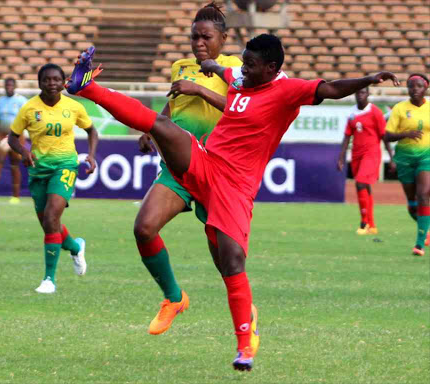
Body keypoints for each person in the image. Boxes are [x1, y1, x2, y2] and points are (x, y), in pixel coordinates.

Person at [65, 34, 399, 371]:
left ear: (271, 68)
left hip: (236, 187)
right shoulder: (240, 79)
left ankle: (244, 347)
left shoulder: (287, 90)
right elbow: (223, 72)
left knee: (231, 262)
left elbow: (329, 88)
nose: (243, 70)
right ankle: (86, 87)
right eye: (242, 62)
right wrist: (209, 66)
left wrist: (368, 79)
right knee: (162, 128)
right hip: (207, 162)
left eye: (250, 65)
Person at [134, 2, 242, 337]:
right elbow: (176, 101)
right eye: (194, 37)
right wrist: (154, 127)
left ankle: (242, 308)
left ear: (223, 39)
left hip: (215, 169)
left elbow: (240, 109)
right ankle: (173, 298)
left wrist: (199, 89)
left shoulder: (236, 68)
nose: (198, 43)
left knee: (222, 253)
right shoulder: (180, 67)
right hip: (179, 167)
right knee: (144, 228)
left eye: (205, 37)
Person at [8, 63, 99, 293]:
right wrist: (23, 151)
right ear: (39, 83)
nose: (51, 84)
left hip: (65, 167)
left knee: (51, 218)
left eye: (56, 80)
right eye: (46, 80)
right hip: (38, 170)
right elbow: (12, 137)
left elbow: (91, 131)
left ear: (63, 82)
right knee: (50, 224)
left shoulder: (73, 106)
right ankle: (75, 247)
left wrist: (91, 155)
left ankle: (49, 280)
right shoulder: (29, 108)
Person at [337, 87, 395, 235]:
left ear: (368, 94)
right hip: (357, 154)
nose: (360, 95)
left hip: (372, 153)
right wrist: (341, 157)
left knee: (360, 182)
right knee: (364, 187)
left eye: (363, 92)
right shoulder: (351, 113)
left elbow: (384, 136)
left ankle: (364, 223)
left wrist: (392, 157)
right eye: (358, 93)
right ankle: (372, 225)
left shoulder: (375, 112)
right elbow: (347, 136)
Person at [384, 74, 430, 256]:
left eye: (418, 86)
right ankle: (425, 229)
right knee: (412, 205)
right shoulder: (400, 109)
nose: (414, 89)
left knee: (424, 195)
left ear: (425, 87)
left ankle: (419, 244)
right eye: (411, 86)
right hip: (404, 158)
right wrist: (406, 134)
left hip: (426, 156)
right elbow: (387, 136)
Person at [0, 78, 28, 203]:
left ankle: (16, 196)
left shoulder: (21, 100)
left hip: (16, 136)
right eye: (7, 85)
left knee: (14, 165)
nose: (9, 87)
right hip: (2, 135)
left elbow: (26, 119)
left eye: (11, 85)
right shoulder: (1, 101)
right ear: (4, 86)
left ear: (15, 86)